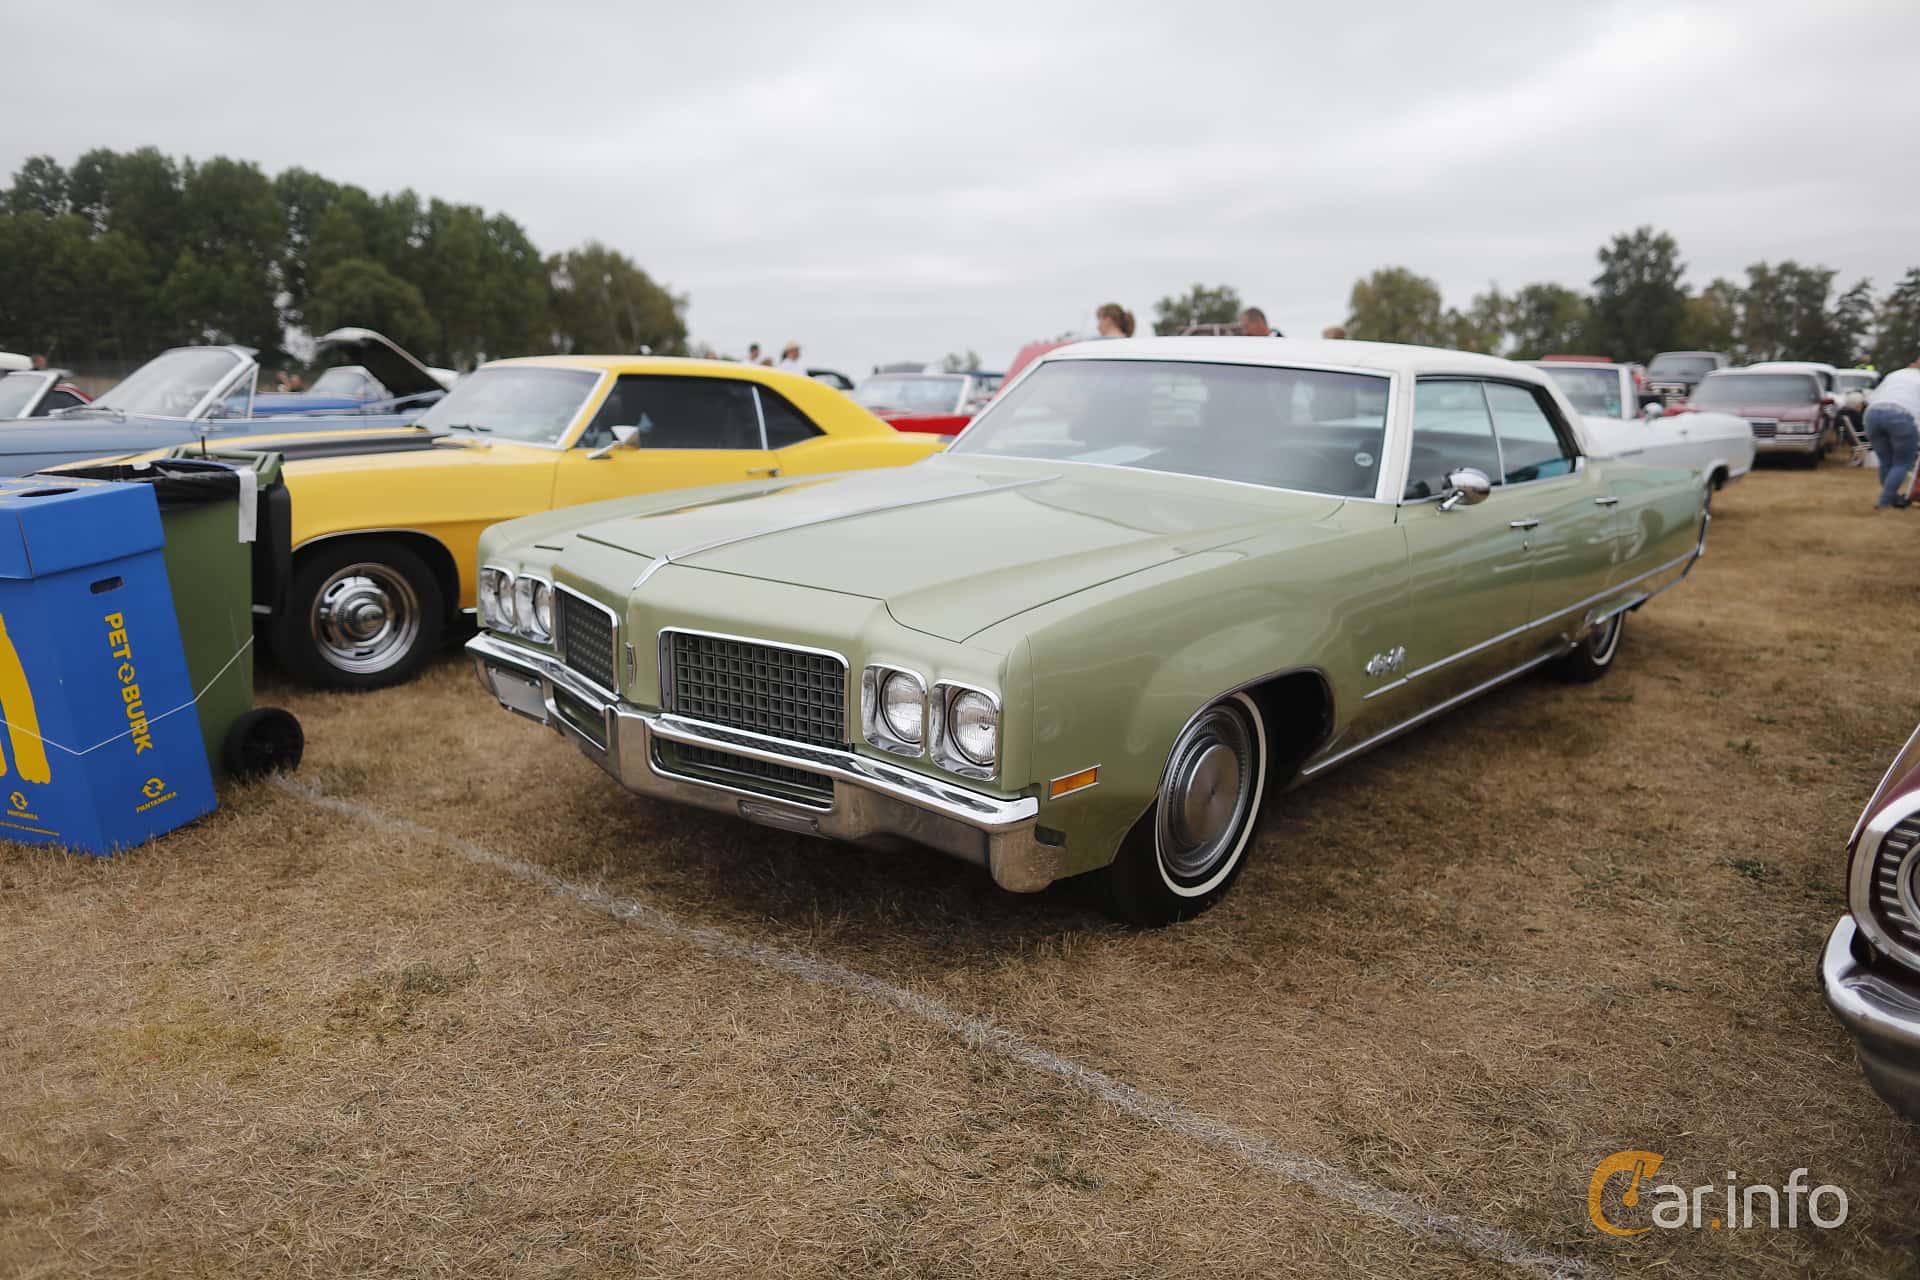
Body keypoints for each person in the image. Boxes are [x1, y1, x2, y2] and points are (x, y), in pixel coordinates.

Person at [1864, 358, 1920, 509]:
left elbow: (1872, 396)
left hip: (1872, 414)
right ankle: (1885, 502)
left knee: (1886, 462)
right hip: (1902, 415)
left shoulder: (1895, 374)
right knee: (1902, 462)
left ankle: (1892, 496)